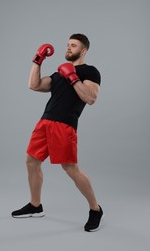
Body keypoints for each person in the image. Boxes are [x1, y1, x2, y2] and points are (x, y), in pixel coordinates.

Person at [12, 33, 104, 232]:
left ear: (84, 50)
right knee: (31, 161)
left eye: (74, 45)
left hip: (65, 125)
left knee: (70, 168)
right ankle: (35, 206)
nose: (69, 48)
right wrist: (38, 60)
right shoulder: (58, 73)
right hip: (45, 121)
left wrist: (72, 77)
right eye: (68, 44)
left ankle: (95, 209)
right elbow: (34, 85)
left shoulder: (90, 71)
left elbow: (90, 98)